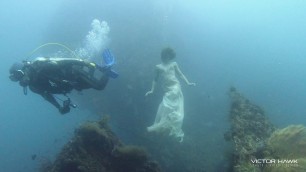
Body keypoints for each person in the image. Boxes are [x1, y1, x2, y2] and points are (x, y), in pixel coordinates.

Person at [9, 55, 116, 114]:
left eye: (19, 74)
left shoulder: (40, 65)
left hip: (74, 73)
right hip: (72, 85)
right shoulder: (33, 87)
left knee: (99, 86)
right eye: (16, 78)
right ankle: (97, 70)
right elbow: (47, 96)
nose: (21, 79)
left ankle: (107, 68)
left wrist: (83, 62)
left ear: (24, 68)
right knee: (91, 84)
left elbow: (65, 61)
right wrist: (59, 108)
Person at [145, 47, 196, 142]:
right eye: (166, 55)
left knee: (171, 101)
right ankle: (166, 124)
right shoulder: (158, 67)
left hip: (175, 86)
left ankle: (169, 120)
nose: (168, 57)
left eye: (169, 55)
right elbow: (155, 79)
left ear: (170, 56)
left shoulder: (174, 64)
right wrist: (152, 90)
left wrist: (188, 83)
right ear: (164, 55)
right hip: (167, 89)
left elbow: (180, 74)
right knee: (164, 105)